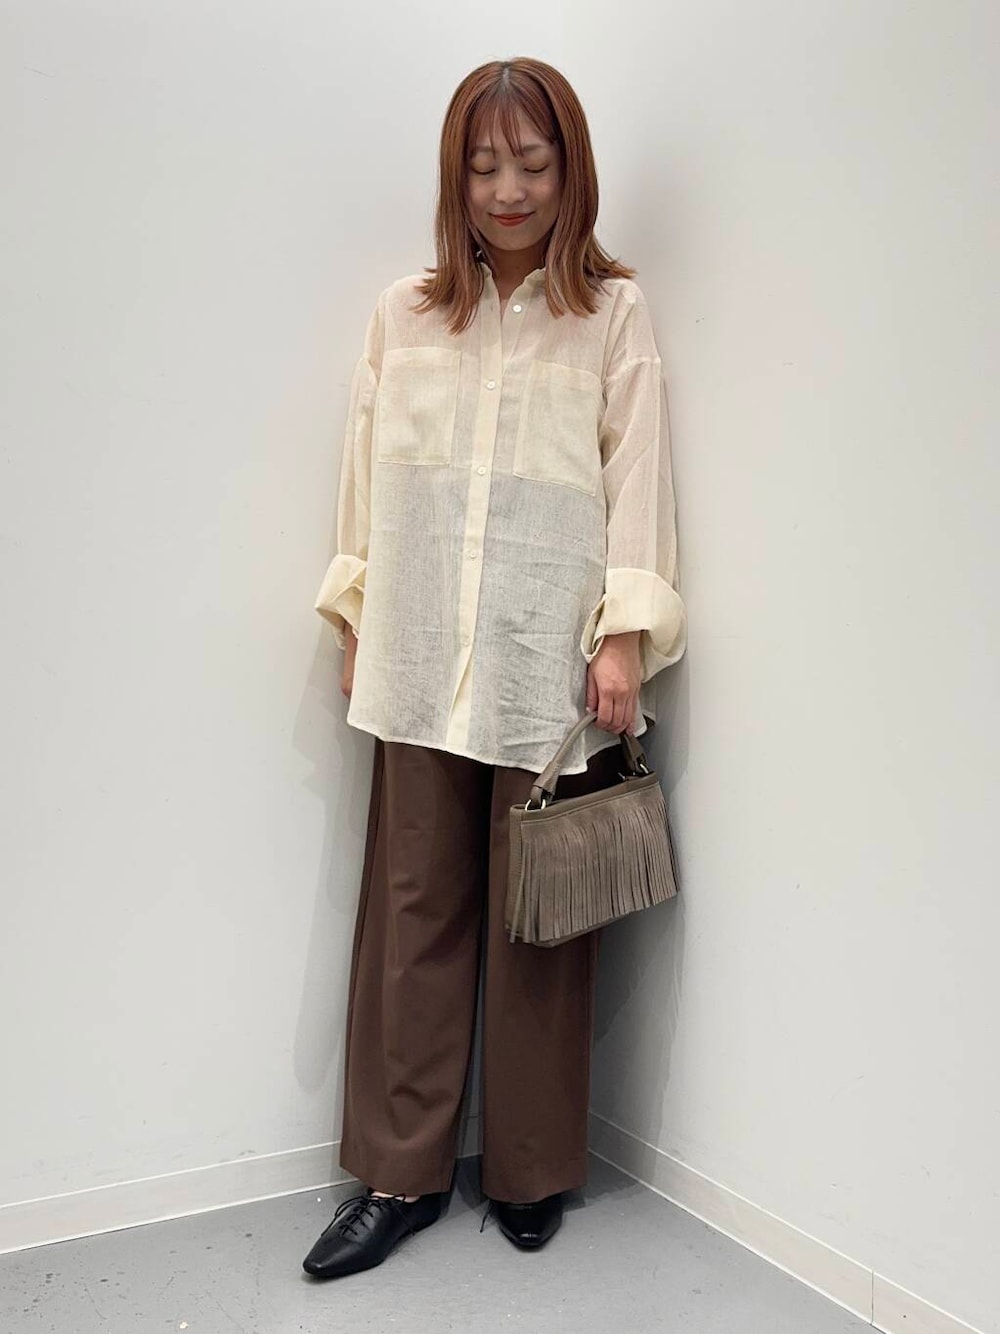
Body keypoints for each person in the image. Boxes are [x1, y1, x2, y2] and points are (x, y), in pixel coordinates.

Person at [303, 56, 687, 1281]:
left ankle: (529, 1167)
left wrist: (621, 633)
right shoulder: (406, 312)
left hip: (546, 659)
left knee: (541, 922)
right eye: (483, 166)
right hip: (420, 648)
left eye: (531, 162)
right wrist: (359, 610)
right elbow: (365, 471)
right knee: (411, 912)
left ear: (570, 171)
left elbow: (637, 476)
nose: (508, 189)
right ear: (453, 178)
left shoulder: (611, 315)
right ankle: (396, 1175)